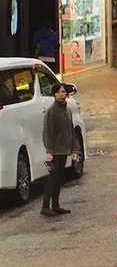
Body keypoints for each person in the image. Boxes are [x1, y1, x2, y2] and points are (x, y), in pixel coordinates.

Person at [41, 82, 77, 217]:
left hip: (64, 149)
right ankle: (45, 206)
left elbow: (71, 130)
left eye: (63, 92)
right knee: (53, 178)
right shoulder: (52, 111)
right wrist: (49, 150)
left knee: (59, 178)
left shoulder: (66, 110)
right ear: (54, 94)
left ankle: (55, 205)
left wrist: (73, 149)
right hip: (55, 150)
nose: (61, 94)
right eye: (58, 92)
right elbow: (48, 132)